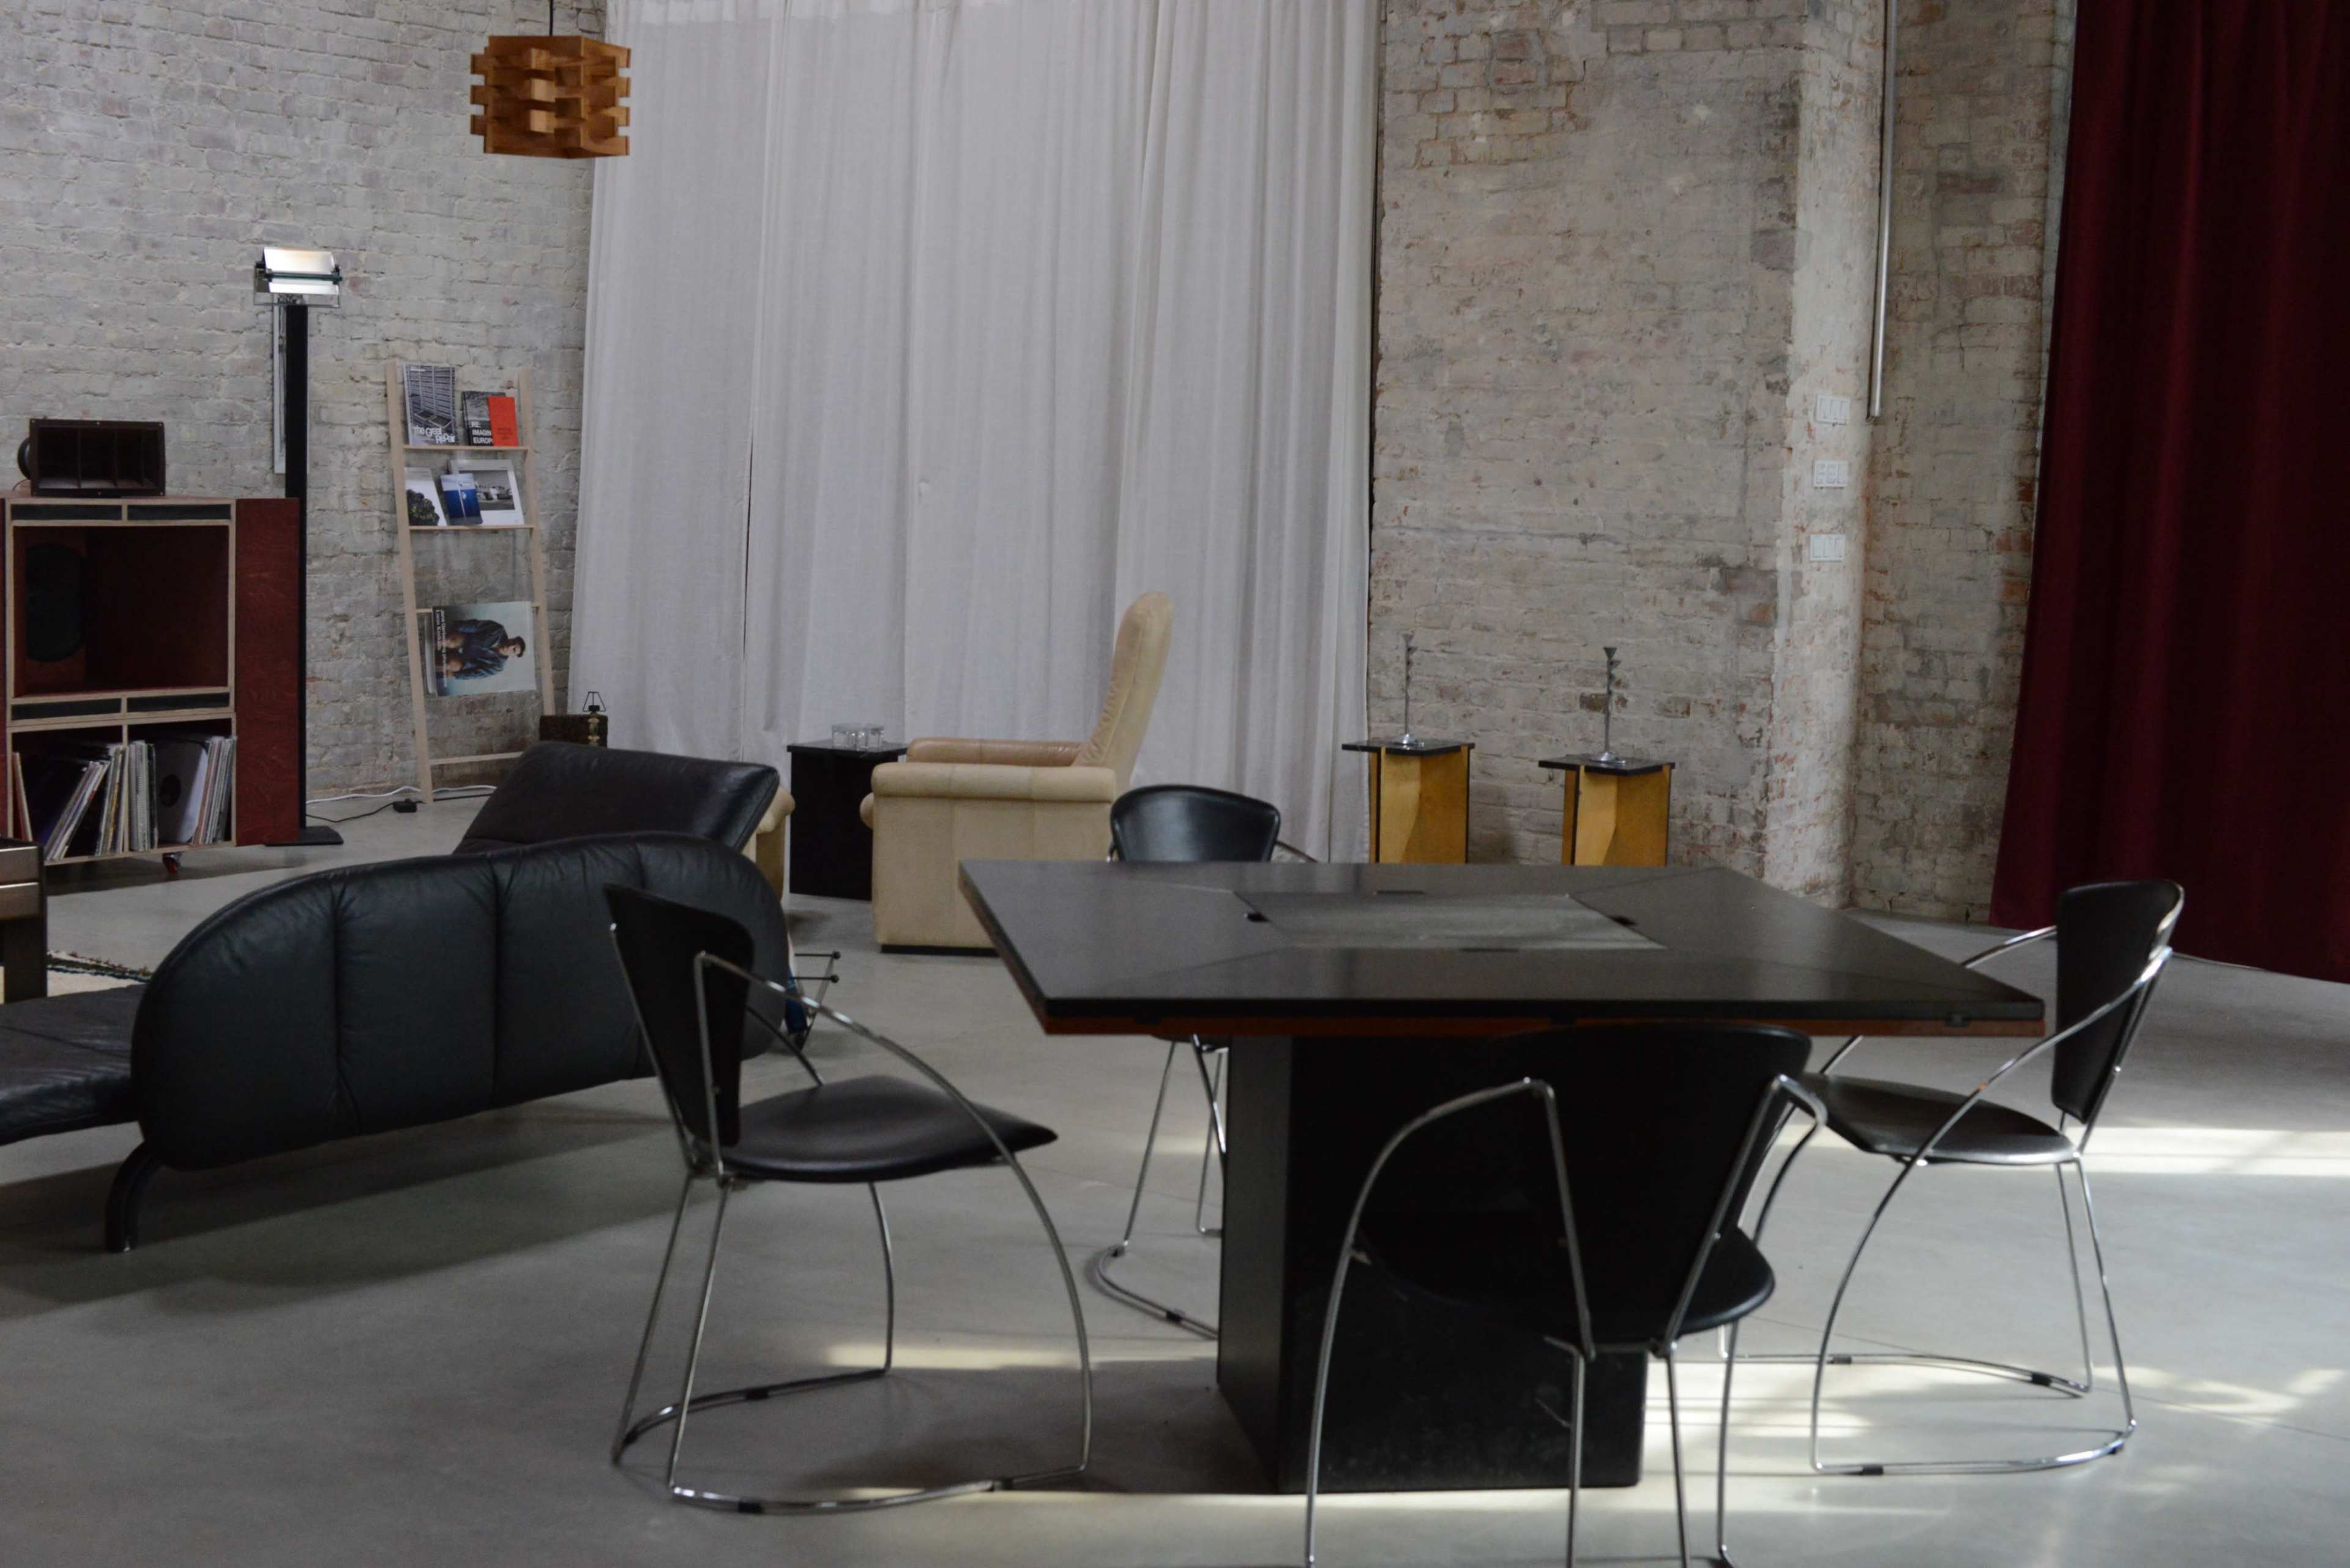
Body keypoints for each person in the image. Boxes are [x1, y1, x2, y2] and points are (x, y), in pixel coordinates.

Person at [438, 619, 526, 682]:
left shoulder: (499, 666)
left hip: (465, 661)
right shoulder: (498, 630)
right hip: (465, 641)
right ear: (512, 638)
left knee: (448, 665)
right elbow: (475, 626)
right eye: (513, 642)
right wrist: (453, 627)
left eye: (514, 650)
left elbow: (477, 674)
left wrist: (455, 675)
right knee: (447, 640)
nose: (510, 646)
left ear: (513, 656)